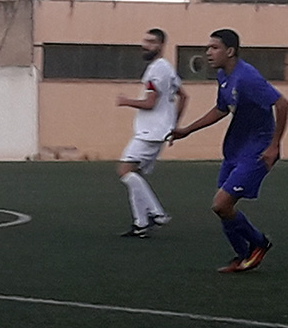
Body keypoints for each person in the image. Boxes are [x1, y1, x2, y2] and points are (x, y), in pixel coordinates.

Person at [170, 28, 287, 273]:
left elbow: (282, 103)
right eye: (208, 47)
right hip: (235, 148)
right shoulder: (224, 76)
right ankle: (244, 256)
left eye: (214, 48)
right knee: (223, 208)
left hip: (257, 149)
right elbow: (221, 109)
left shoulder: (247, 77)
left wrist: (274, 145)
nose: (208, 52)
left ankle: (258, 243)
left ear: (230, 51)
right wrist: (187, 130)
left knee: (221, 204)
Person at [116, 28, 188, 237]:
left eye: (151, 42)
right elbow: (184, 96)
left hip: (149, 132)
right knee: (134, 174)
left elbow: (149, 103)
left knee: (124, 171)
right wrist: (173, 125)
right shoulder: (167, 68)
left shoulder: (156, 70)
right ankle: (140, 224)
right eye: (144, 40)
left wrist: (125, 101)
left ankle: (157, 213)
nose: (145, 45)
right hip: (159, 131)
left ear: (160, 45)